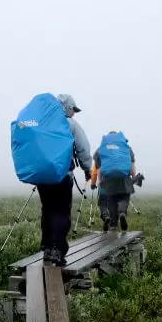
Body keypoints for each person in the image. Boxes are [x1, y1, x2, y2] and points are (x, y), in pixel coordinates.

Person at [37, 94, 92, 266]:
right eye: (73, 109)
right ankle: (57, 250)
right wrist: (87, 169)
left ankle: (47, 248)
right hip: (62, 176)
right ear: (67, 107)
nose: (74, 113)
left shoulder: (42, 124)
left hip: (43, 177)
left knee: (48, 210)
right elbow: (83, 149)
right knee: (61, 212)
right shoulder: (70, 125)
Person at [91, 131, 139, 231]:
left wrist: (100, 182)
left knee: (111, 202)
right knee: (124, 199)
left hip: (108, 180)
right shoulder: (126, 148)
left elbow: (99, 169)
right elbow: (132, 167)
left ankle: (113, 225)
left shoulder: (101, 149)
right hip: (124, 179)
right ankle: (122, 212)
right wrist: (133, 178)